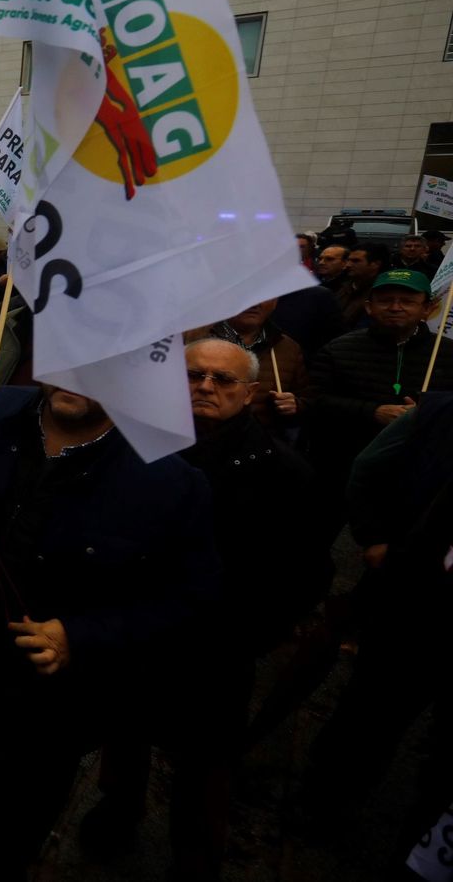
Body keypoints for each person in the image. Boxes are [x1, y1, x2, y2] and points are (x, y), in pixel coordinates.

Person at [0, 384, 218, 880]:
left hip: (56, 698)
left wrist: (83, 635)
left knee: (14, 826)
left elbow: (188, 596)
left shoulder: (166, 475)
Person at [80, 339, 328, 877]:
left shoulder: (284, 473)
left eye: (223, 380)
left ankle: (195, 855)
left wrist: (246, 638)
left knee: (205, 764)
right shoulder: (136, 447)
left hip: (216, 648)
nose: (205, 388)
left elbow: (304, 574)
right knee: (125, 730)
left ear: (250, 393)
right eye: (193, 376)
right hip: (136, 630)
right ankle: (119, 808)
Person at [305, 392, 453, 863]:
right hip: (417, 598)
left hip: (418, 594)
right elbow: (368, 468)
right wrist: (374, 537)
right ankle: (324, 808)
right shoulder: (440, 411)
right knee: (374, 711)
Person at [307, 268, 453, 489]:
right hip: (347, 467)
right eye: (385, 301)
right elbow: (314, 401)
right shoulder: (338, 350)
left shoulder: (446, 353)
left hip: (424, 469)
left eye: (407, 301)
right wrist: (372, 411)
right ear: (369, 307)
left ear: (427, 309)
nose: (395, 307)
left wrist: (428, 412)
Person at [184, 298, 306, 428]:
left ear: (275, 301)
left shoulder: (288, 348)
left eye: (264, 296)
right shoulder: (190, 338)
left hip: (259, 442)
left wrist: (296, 405)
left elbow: (307, 398)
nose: (254, 303)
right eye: (249, 294)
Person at [337, 242, 390, 327]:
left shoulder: (382, 292)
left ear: (376, 264)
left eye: (355, 261)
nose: (348, 265)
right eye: (348, 260)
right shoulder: (344, 287)